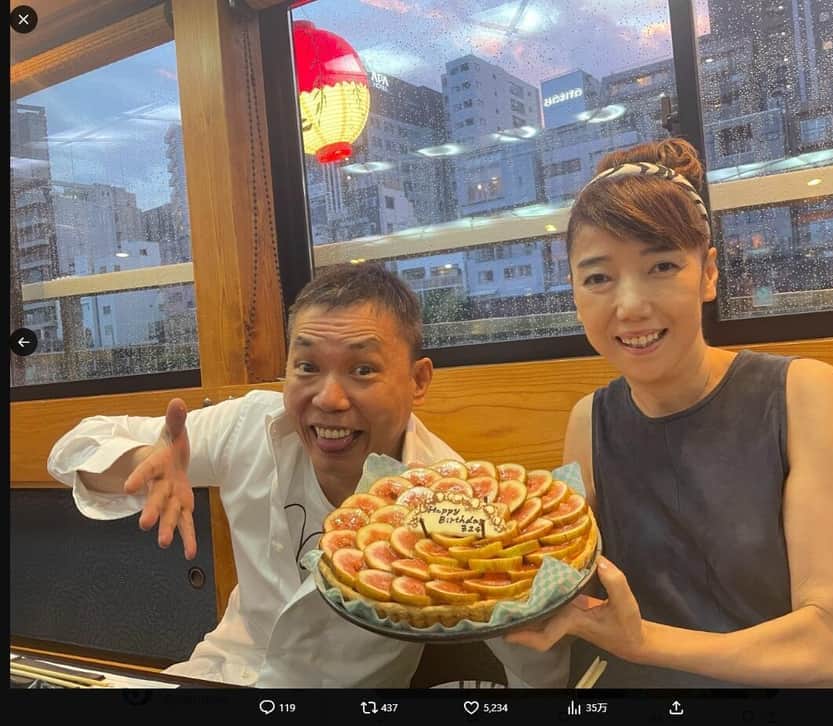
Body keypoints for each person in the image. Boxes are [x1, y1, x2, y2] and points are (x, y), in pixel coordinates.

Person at [504, 139, 833, 687]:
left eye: (661, 266)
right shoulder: (589, 422)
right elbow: (575, 581)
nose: (630, 306)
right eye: (598, 278)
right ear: (574, 291)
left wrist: (640, 642)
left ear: (708, 273)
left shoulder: (803, 392)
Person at [47, 263, 568, 688]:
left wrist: (535, 596)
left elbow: (533, 663)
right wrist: (143, 459)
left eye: (362, 370)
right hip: (217, 676)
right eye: (307, 367)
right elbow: (73, 448)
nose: (329, 398)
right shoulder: (249, 424)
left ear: (418, 380)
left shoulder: (446, 496)